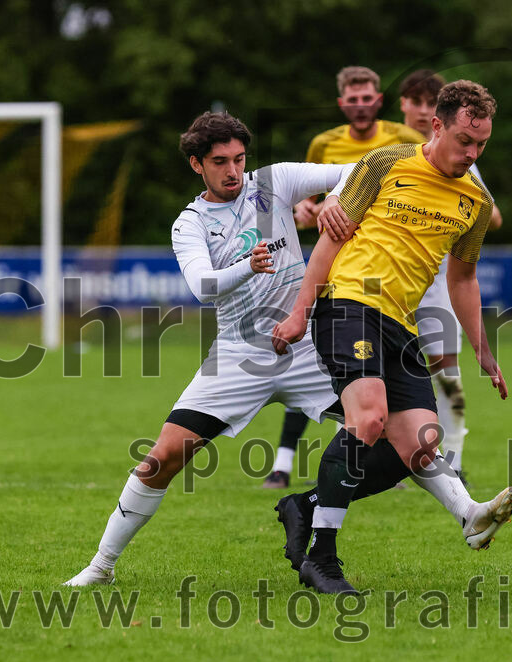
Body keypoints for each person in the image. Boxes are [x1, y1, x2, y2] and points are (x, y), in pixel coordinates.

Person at [63, 111, 445, 586]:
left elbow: (361, 168)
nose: (233, 171)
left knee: (398, 435)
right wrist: (249, 264)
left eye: (239, 159)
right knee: (163, 456)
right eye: (220, 161)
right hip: (239, 355)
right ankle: (100, 567)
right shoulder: (190, 223)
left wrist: (332, 202)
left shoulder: (273, 182)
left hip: (307, 341)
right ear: (195, 165)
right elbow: (204, 286)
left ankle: (465, 512)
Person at [272, 80, 512, 595]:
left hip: (401, 322)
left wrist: (482, 348)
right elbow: (331, 238)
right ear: (437, 126)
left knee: (420, 446)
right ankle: (323, 560)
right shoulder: (385, 164)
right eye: (464, 142)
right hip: (348, 302)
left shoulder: (474, 199)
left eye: (482, 145)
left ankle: (305, 505)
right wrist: (300, 312)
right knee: (369, 419)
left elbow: (463, 278)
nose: (471, 154)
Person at [263, 65, 425, 489]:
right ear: (342, 104)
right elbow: (306, 205)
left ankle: (396, 451)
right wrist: (305, 211)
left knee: (380, 376)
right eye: (351, 100)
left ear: (378, 99)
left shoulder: (404, 141)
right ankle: (284, 463)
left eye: (367, 97)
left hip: (387, 272)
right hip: (338, 271)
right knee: (316, 370)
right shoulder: (325, 143)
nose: (360, 105)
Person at [399, 69, 504, 484]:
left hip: (437, 283)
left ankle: (454, 457)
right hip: (381, 286)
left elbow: (491, 214)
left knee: (445, 369)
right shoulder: (390, 154)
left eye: (430, 103)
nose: (423, 112)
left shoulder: (463, 165)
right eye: (417, 103)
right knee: (370, 373)